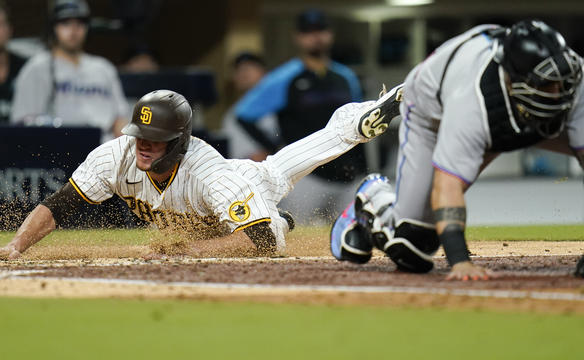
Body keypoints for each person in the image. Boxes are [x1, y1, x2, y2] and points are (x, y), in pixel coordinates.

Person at [0, 85, 404, 260]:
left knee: (274, 216)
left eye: (156, 136)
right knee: (276, 175)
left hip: (247, 184)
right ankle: (289, 210)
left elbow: (259, 240)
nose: (143, 144)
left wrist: (189, 253)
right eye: (139, 134)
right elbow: (61, 205)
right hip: (216, 206)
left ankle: (358, 118)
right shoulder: (115, 156)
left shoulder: (211, 175)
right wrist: (16, 245)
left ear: (180, 138)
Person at [330, 20, 584, 280]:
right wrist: (460, 260)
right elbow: (448, 186)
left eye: (560, 82)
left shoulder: (574, 84)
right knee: (415, 244)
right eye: (545, 85)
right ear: (512, 80)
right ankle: (375, 200)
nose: (557, 94)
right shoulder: (472, 102)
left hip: (516, 116)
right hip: (431, 116)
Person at [235, 9, 367, 224]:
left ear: (330, 34)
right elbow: (244, 115)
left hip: (347, 176)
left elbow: (360, 122)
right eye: (308, 32)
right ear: (298, 38)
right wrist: (277, 149)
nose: (316, 37)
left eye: (321, 30)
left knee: (352, 236)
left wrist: (362, 168)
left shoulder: (345, 77)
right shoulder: (286, 77)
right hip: (305, 176)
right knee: (298, 240)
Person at [10, 0, 128, 141]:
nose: (73, 30)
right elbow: (21, 122)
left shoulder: (104, 68)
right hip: (57, 148)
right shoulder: (37, 67)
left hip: (103, 149)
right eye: (65, 23)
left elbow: (122, 118)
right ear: (54, 28)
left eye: (79, 24)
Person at [220, 52, 280, 161]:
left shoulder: (281, 106)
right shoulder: (231, 115)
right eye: (239, 69)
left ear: (264, 72)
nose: (244, 73)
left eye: (250, 68)